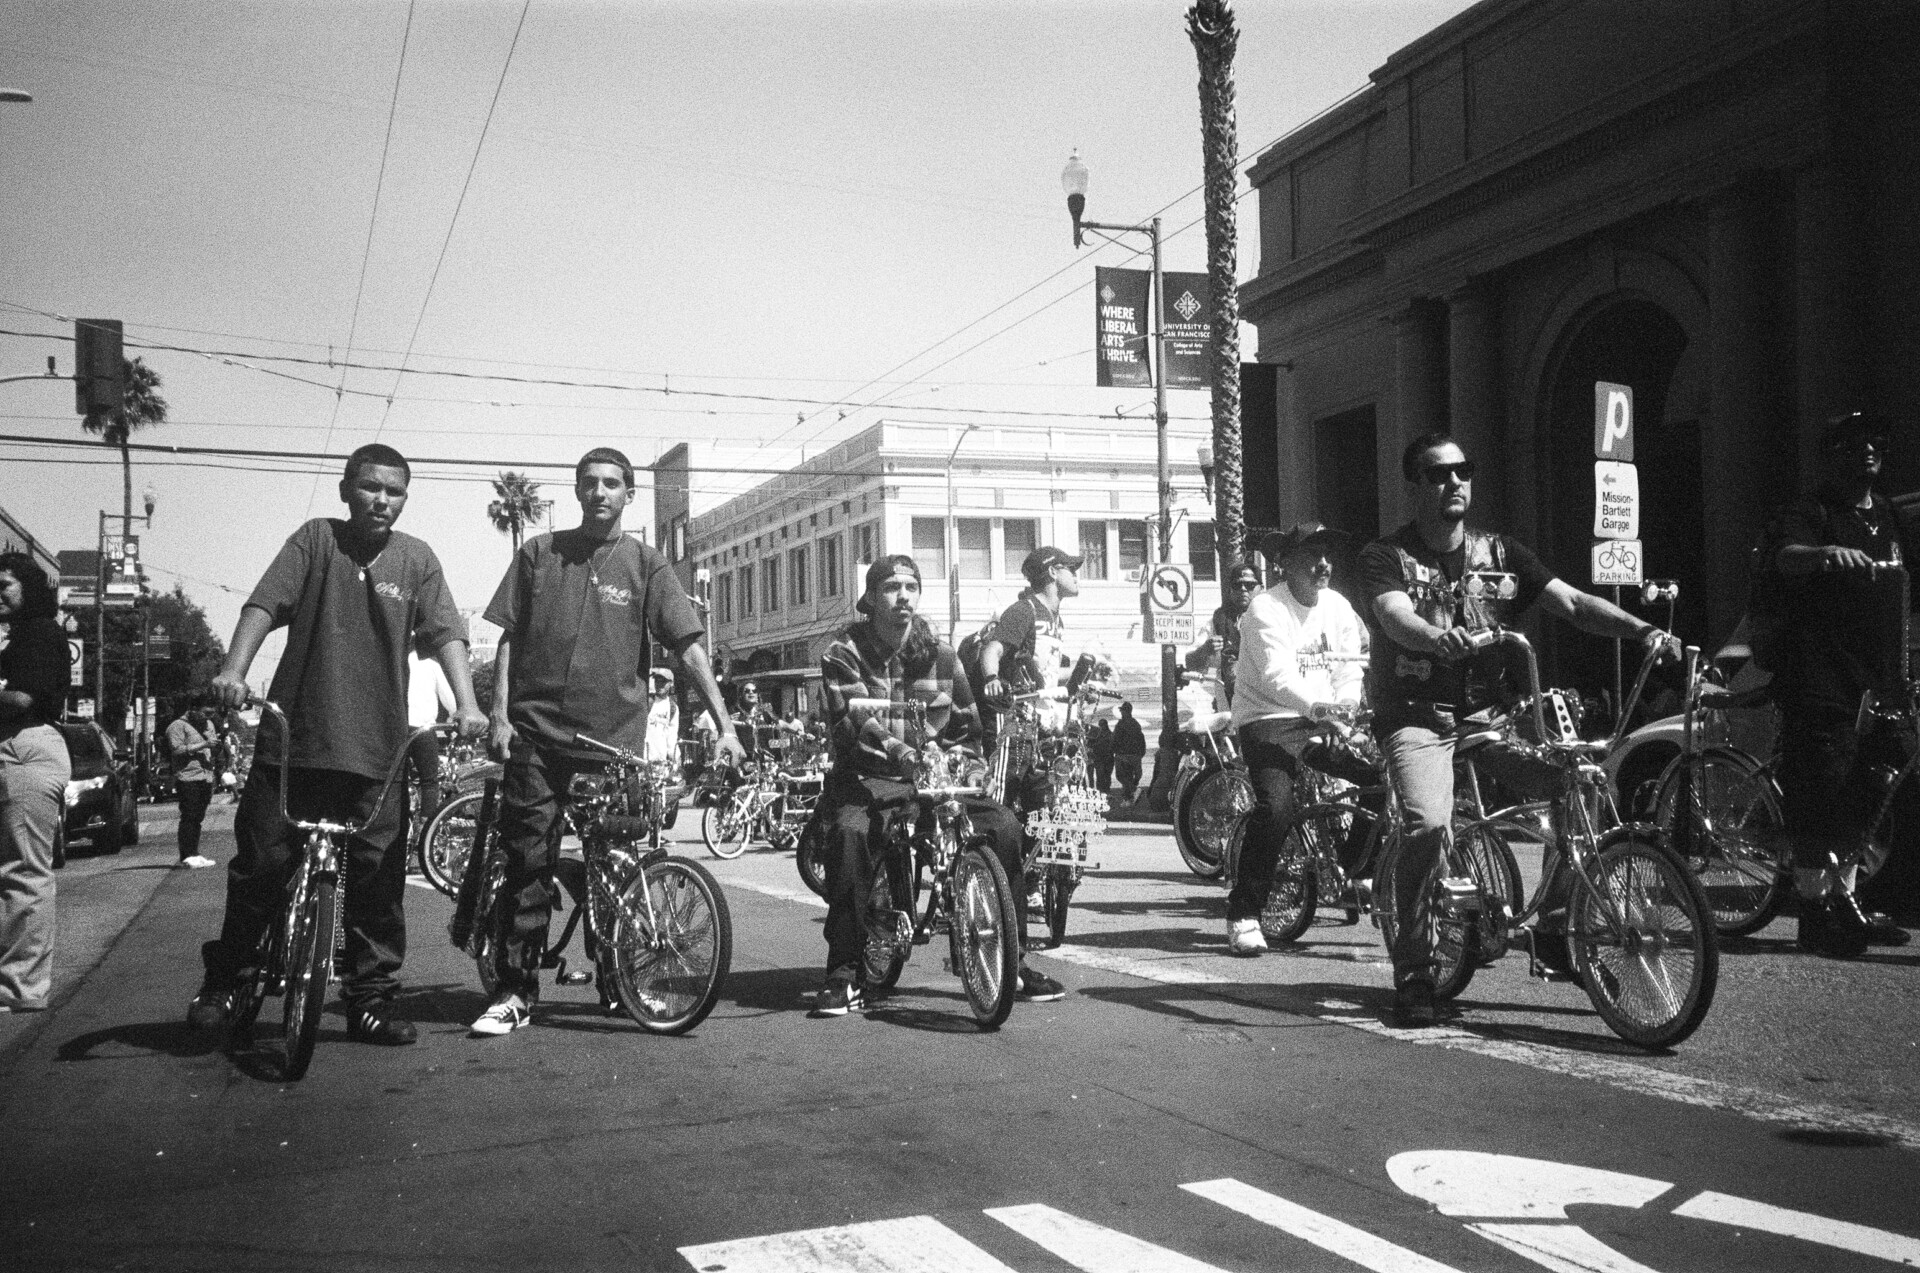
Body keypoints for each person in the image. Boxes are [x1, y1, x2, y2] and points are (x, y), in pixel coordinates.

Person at [1358, 431, 1675, 1028]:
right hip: (1417, 716)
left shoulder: (1499, 552)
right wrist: (1435, 638)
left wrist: (1643, 631)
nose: (1454, 482)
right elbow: (1394, 615)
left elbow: (1575, 604)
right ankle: (1416, 970)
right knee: (1428, 822)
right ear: (1414, 486)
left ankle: (1557, 930)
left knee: (1579, 784)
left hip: (1488, 716)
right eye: (1437, 474)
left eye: (1462, 470)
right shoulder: (1385, 556)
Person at [187, 444, 487, 1044]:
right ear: (346, 489)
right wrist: (234, 669)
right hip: (294, 743)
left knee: (378, 884)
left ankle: (369, 1003)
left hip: (378, 750)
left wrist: (469, 704)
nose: (382, 500)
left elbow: (446, 633)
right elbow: (264, 604)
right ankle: (228, 981)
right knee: (262, 867)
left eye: (395, 491)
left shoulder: (416, 559)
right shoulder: (316, 540)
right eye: (371, 487)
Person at [472, 447, 742, 1037]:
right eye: (590, 483)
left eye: (612, 484)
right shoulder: (539, 553)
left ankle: (615, 980)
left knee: (616, 866)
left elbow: (689, 647)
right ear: (576, 491)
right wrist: (497, 715)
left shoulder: (647, 565)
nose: (600, 493)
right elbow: (508, 638)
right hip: (537, 736)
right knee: (529, 861)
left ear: (628, 495)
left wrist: (726, 725)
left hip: (612, 746)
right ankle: (516, 991)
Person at [812, 555, 1064, 1015]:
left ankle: (1013, 960)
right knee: (850, 836)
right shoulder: (843, 653)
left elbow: (968, 728)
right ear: (870, 598)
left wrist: (968, 768)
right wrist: (902, 752)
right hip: (870, 777)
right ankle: (844, 970)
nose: (903, 595)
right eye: (891, 587)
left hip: (934, 779)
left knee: (1004, 825)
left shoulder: (942, 656)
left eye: (911, 586)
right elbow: (853, 721)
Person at [1765, 411, 1917, 955]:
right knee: (1820, 787)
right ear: (1832, 456)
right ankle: (1813, 910)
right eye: (1854, 445)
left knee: (1874, 780)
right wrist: (1825, 553)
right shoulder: (1812, 511)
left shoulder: (1890, 517)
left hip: (1878, 672)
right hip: (1820, 671)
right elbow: (1783, 556)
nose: (1869, 451)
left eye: (1876, 442)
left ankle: (1844, 898)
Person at [1225, 533, 1367, 955]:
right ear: (1286, 563)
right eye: (1312, 557)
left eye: (1328, 555)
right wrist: (1324, 712)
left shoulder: (1337, 605)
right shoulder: (1265, 607)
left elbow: (1350, 667)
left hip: (1325, 717)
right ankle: (1244, 913)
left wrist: (1345, 710)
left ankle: (1355, 870)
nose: (1323, 564)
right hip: (1269, 718)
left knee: (1380, 777)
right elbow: (1277, 677)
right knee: (1277, 807)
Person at [0, 553, 71, 1013]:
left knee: (24, 873)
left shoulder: (40, 633)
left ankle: (20, 988)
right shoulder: (20, 635)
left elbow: (23, 697)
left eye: (5, 584)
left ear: (28, 586)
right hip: (18, 747)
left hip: (25, 747)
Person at [979, 545, 1079, 721]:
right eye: (1071, 569)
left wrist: (1086, 673)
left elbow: (1049, 674)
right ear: (1052, 572)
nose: (1076, 576)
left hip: (1043, 718)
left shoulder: (1056, 620)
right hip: (1017, 718)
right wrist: (992, 679)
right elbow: (991, 650)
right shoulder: (1025, 610)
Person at [1186, 560, 1264, 701]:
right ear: (1230, 590)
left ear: (1261, 588)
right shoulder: (1218, 621)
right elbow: (1190, 664)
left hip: (1267, 702)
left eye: (1250, 585)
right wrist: (1205, 650)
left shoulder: (1275, 618)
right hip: (1230, 706)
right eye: (1237, 585)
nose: (1243, 589)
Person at [406, 637, 457, 831]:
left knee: (397, 780)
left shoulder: (398, 663)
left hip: (400, 729)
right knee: (429, 781)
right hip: (424, 729)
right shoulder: (431, 665)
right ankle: (426, 826)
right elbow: (450, 702)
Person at [166, 705, 217, 869]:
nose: (207, 718)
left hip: (206, 775)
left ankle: (195, 852)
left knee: (198, 817)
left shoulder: (209, 725)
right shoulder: (177, 726)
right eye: (205, 713)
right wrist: (203, 745)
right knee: (189, 815)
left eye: (210, 715)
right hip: (188, 776)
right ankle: (186, 855)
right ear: (194, 710)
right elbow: (177, 750)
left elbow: (212, 746)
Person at [644, 668, 681, 768]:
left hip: (660, 763)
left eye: (663, 681)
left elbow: (672, 736)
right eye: (657, 680)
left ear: (671, 683)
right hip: (642, 760)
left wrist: (675, 758)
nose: (659, 684)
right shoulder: (646, 701)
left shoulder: (672, 708)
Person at [1111, 701, 1147, 803]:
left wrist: (1113, 750)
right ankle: (1129, 796)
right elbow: (1141, 739)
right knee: (1131, 777)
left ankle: (1133, 791)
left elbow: (1115, 739)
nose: (1121, 713)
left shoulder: (1121, 724)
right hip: (1135, 755)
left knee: (1121, 776)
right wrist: (1140, 754)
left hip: (1123, 755)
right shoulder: (1136, 724)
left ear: (1126, 712)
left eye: (1122, 711)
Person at [1085, 715, 1115, 796]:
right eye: (1100, 725)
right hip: (1099, 759)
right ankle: (1100, 792)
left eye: (1103, 725)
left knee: (1107, 776)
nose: (1102, 727)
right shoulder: (1096, 735)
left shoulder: (1110, 735)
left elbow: (1114, 746)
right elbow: (1089, 744)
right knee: (1100, 776)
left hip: (1108, 759)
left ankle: (1106, 791)